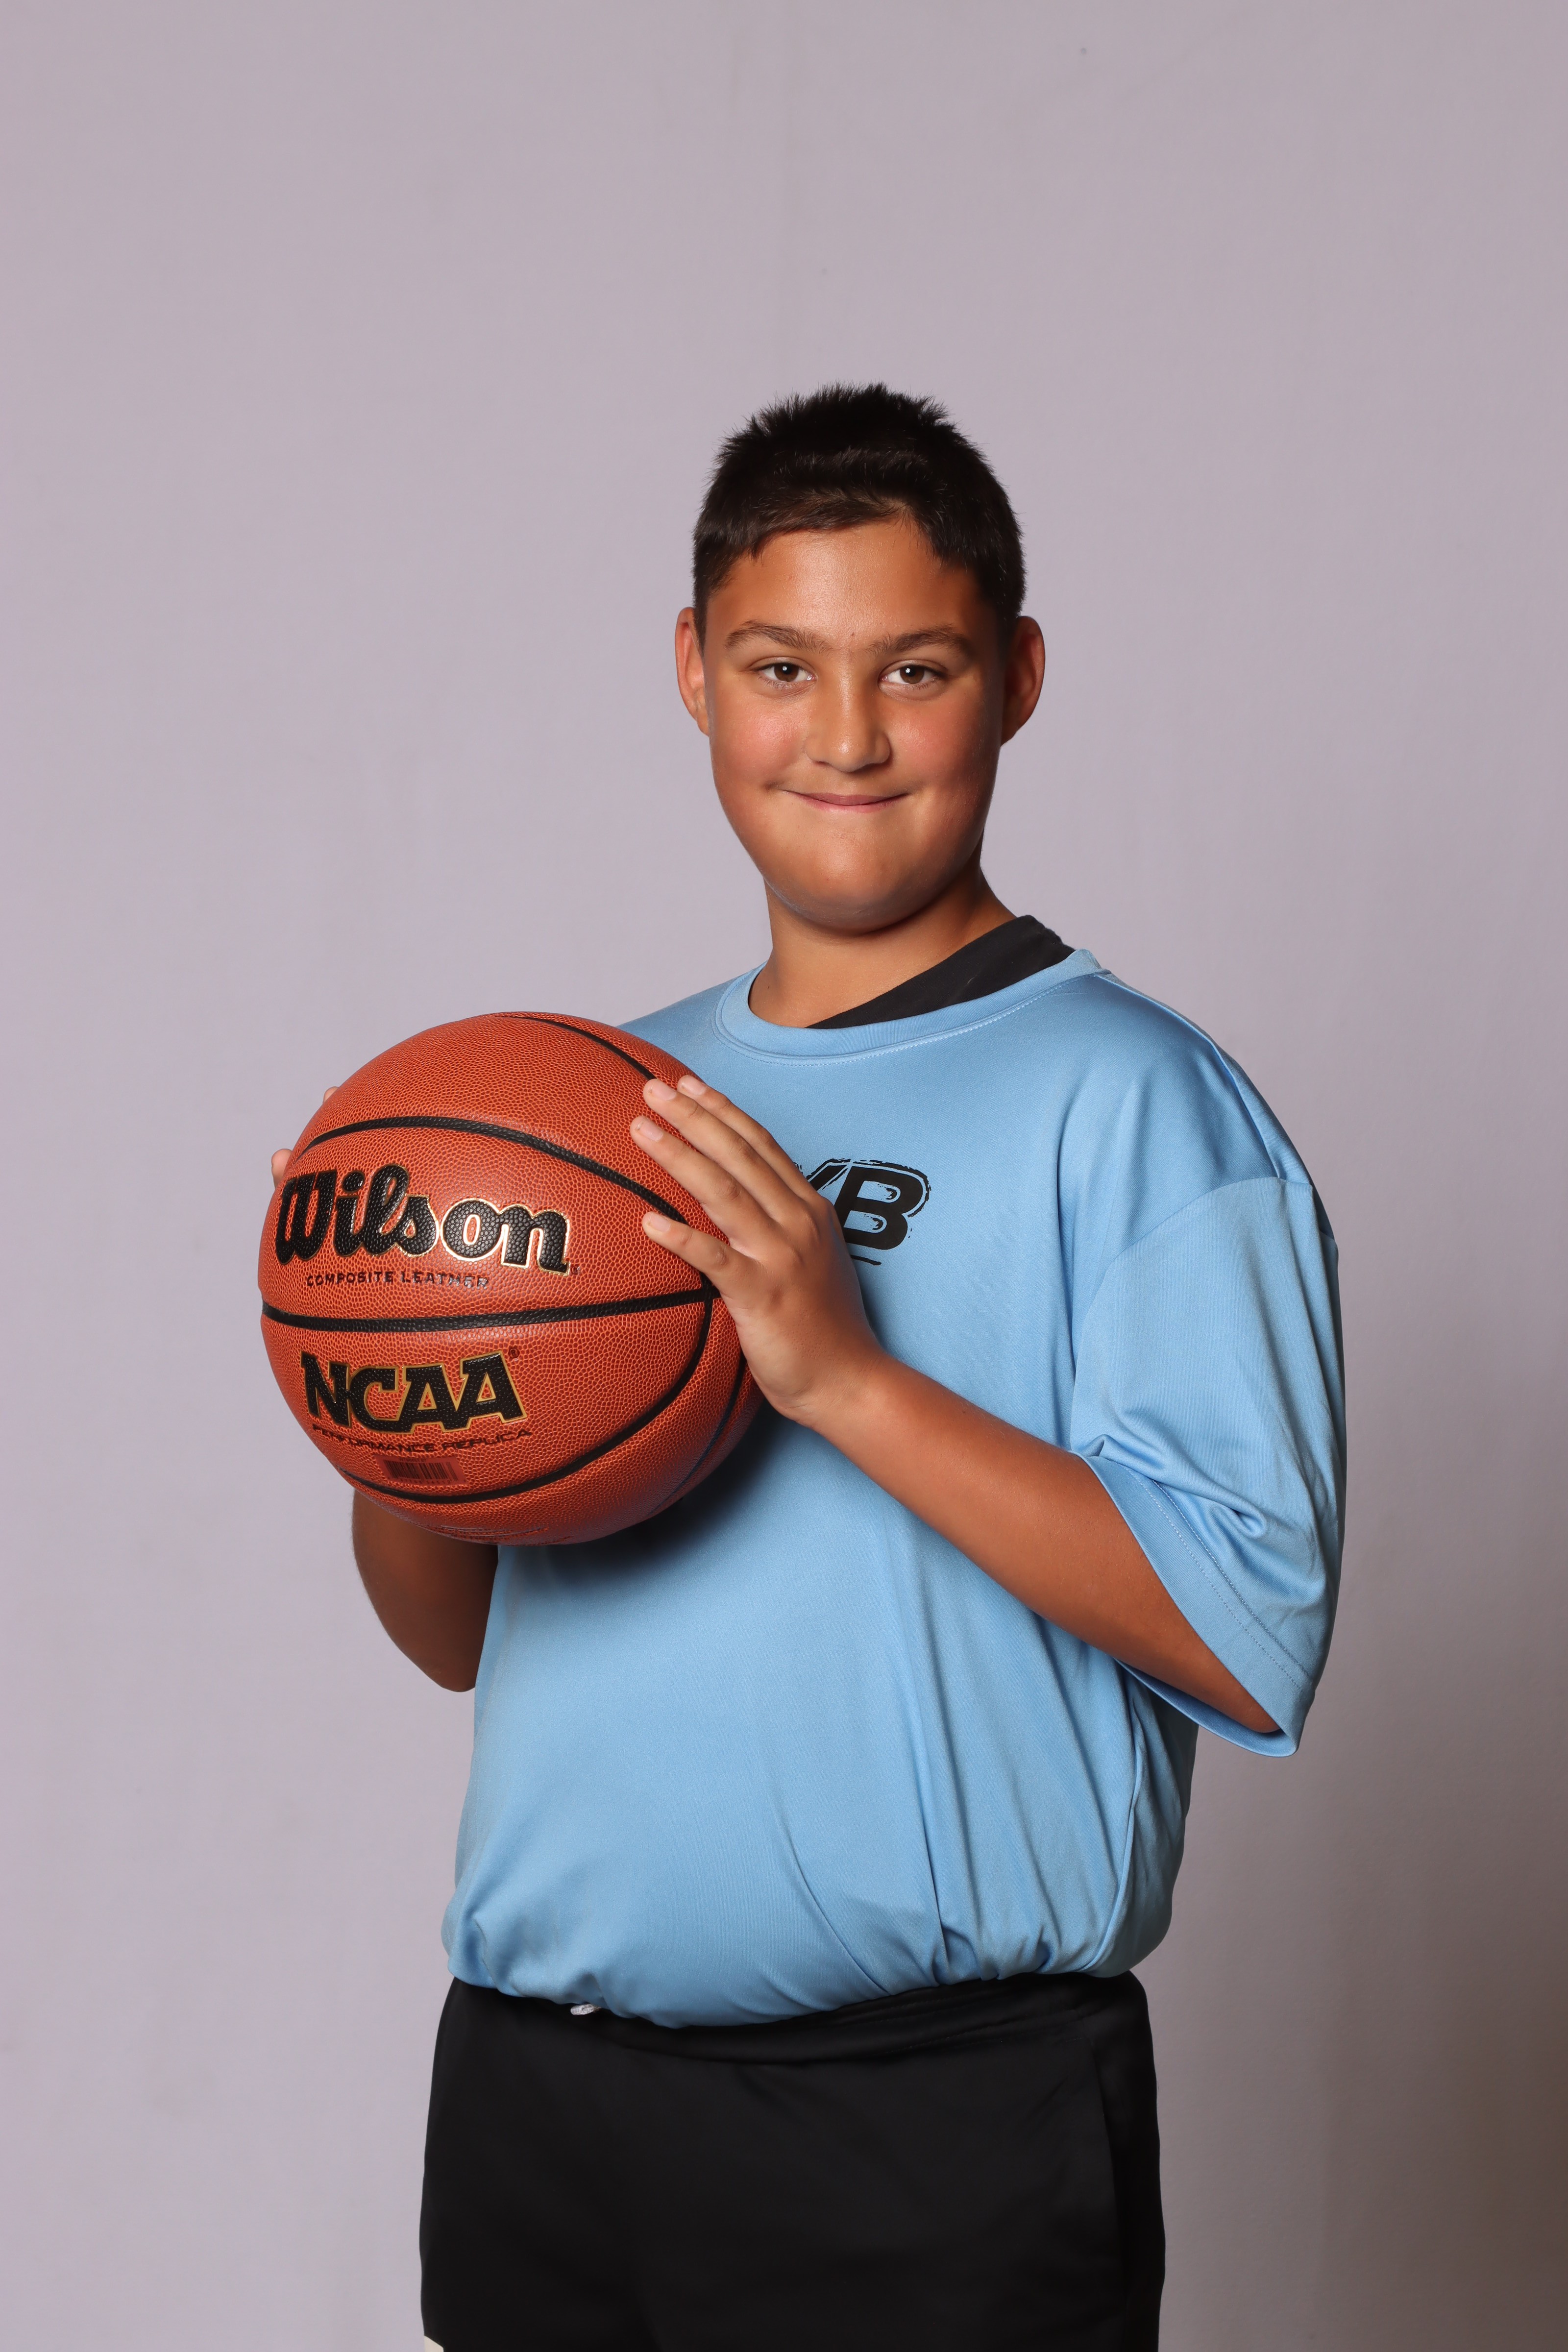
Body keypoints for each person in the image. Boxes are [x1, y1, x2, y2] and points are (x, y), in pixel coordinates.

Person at [275, 385, 1346, 2350]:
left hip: (929, 2120)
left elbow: (1243, 1630)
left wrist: (843, 1377)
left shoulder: (1137, 1103)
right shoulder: (596, 1104)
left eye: (913, 669)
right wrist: (390, 1378)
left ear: (1016, 680)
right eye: (782, 667)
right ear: (695, 672)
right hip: (541, 2096)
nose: (844, 734)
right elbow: (456, 1635)